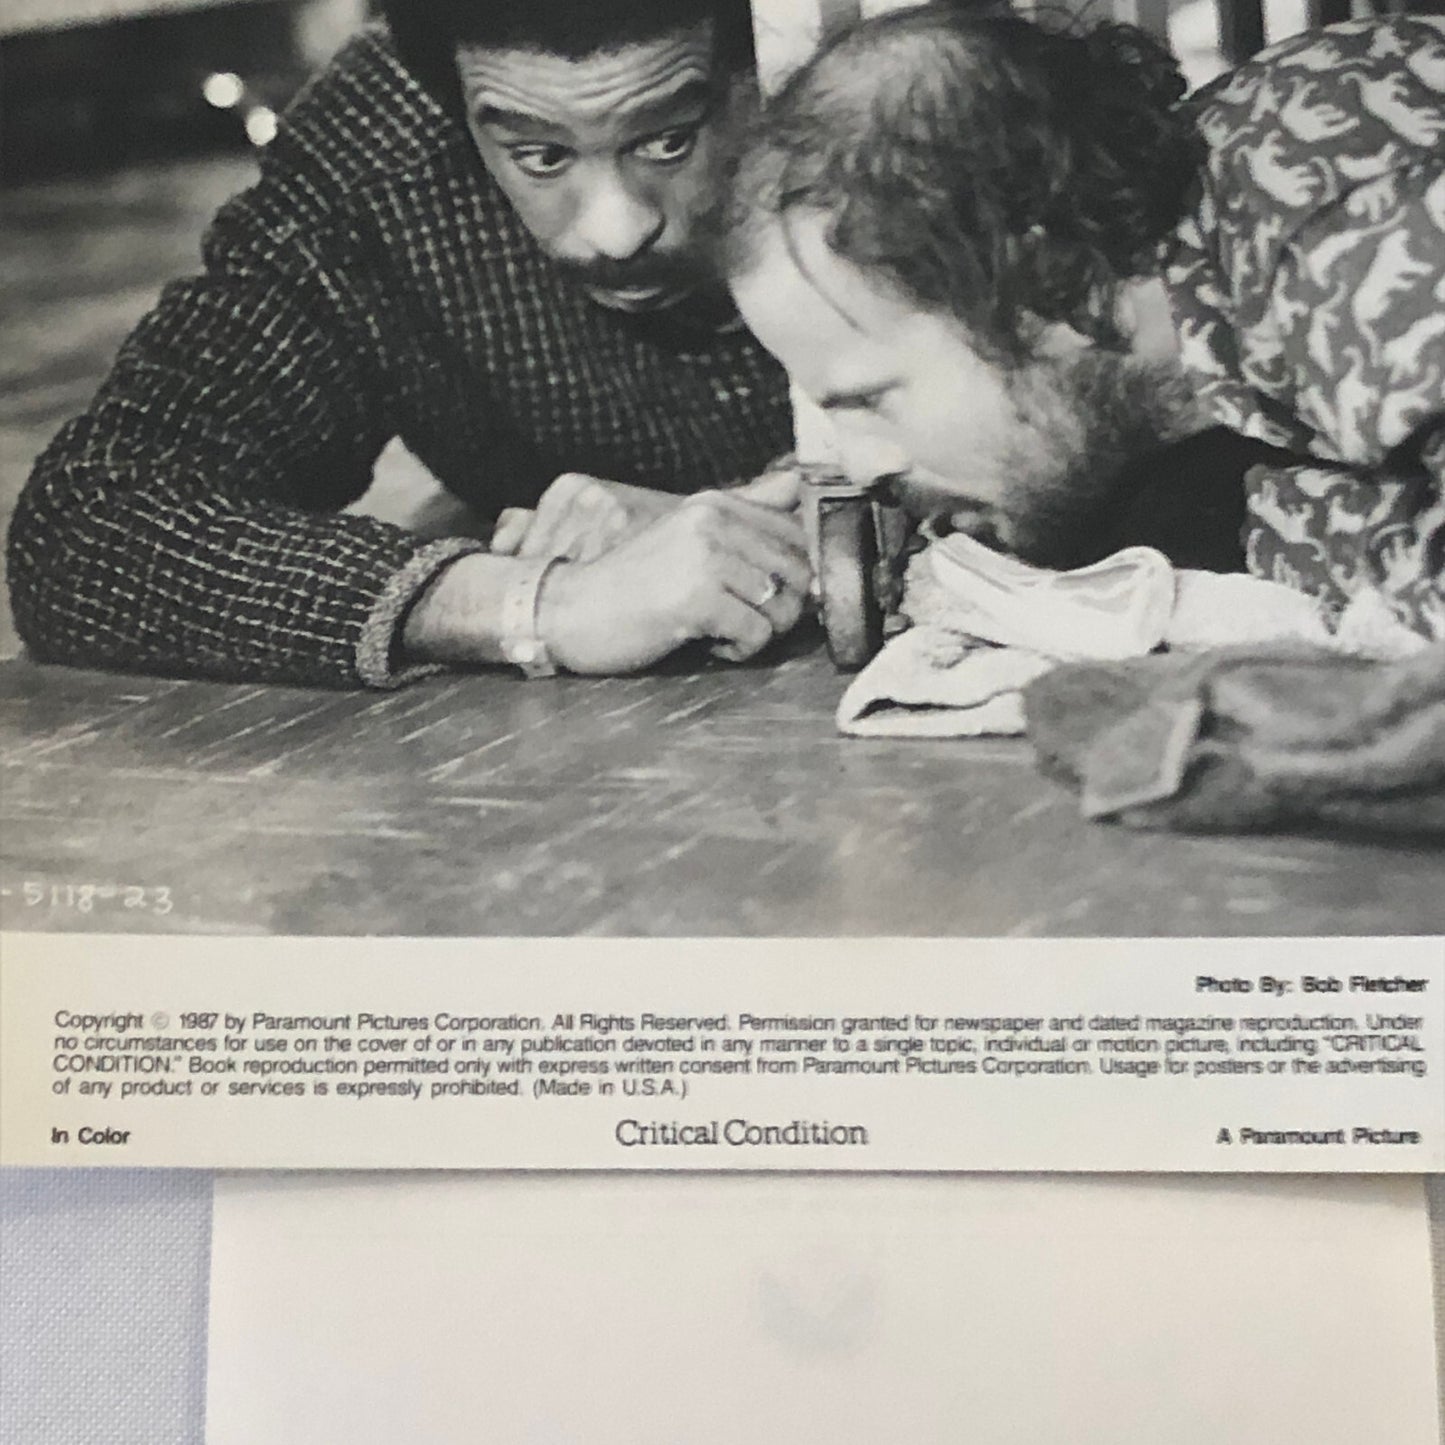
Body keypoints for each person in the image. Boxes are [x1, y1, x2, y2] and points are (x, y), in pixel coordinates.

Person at [7, 0, 812, 689]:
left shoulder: (880, 70)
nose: (615, 229)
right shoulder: (376, 158)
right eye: (539, 155)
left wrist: (805, 508)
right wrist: (538, 606)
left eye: (666, 140)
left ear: (774, 52)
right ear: (452, 105)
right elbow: (91, 520)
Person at [726, 7, 1445, 643]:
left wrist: (1258, 522)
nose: (863, 465)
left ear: (1046, 287)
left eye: (871, 399)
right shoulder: (1219, 224)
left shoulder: (1342, 244)